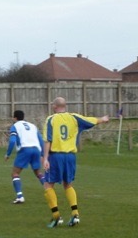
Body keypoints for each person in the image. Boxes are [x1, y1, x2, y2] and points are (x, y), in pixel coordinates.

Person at [42, 97, 109, 228]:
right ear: (65, 106)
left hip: (56, 156)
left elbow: (47, 140)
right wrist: (103, 119)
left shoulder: (51, 119)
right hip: (71, 156)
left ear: (55, 106)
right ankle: (75, 214)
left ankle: (56, 217)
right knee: (68, 184)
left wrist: (45, 158)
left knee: (48, 185)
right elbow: (91, 120)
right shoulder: (74, 117)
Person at [5, 110, 45, 204]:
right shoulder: (32, 126)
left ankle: (20, 197)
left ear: (15, 118)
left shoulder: (15, 126)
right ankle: (50, 192)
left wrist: (8, 154)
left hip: (25, 150)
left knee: (15, 173)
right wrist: (43, 155)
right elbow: (41, 141)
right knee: (38, 173)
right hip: (36, 150)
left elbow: (12, 141)